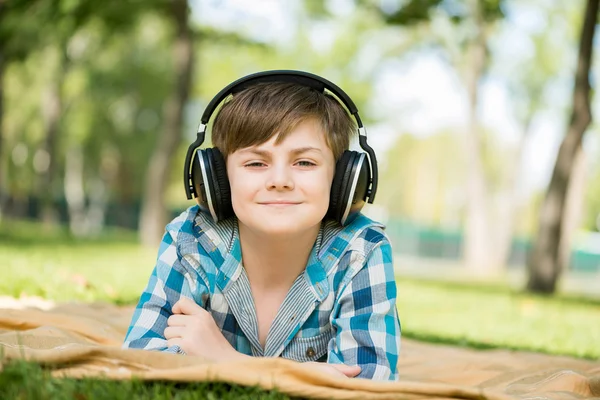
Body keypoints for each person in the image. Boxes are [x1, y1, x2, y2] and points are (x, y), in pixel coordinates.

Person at [123, 71, 401, 381]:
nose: (280, 181)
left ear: (342, 180)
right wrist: (301, 378)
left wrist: (227, 360)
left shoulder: (361, 250)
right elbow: (141, 359)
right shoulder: (191, 238)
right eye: (256, 163)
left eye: (305, 162)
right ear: (217, 180)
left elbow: (368, 385)